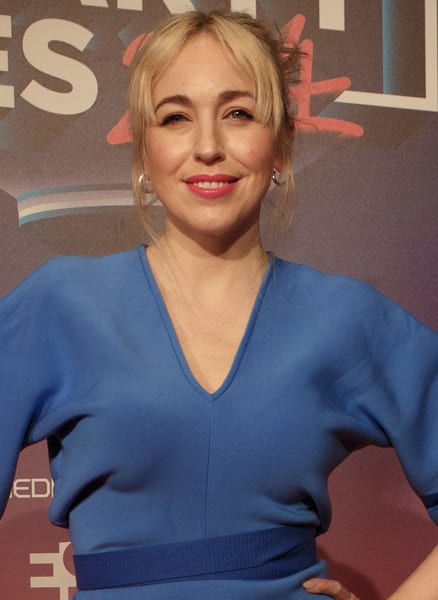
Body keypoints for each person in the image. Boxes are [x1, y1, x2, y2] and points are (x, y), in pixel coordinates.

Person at [0, 9, 437, 600]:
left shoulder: (345, 318)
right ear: (144, 151)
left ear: (280, 144)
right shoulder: (60, 304)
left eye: (238, 114)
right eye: (175, 117)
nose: (208, 146)